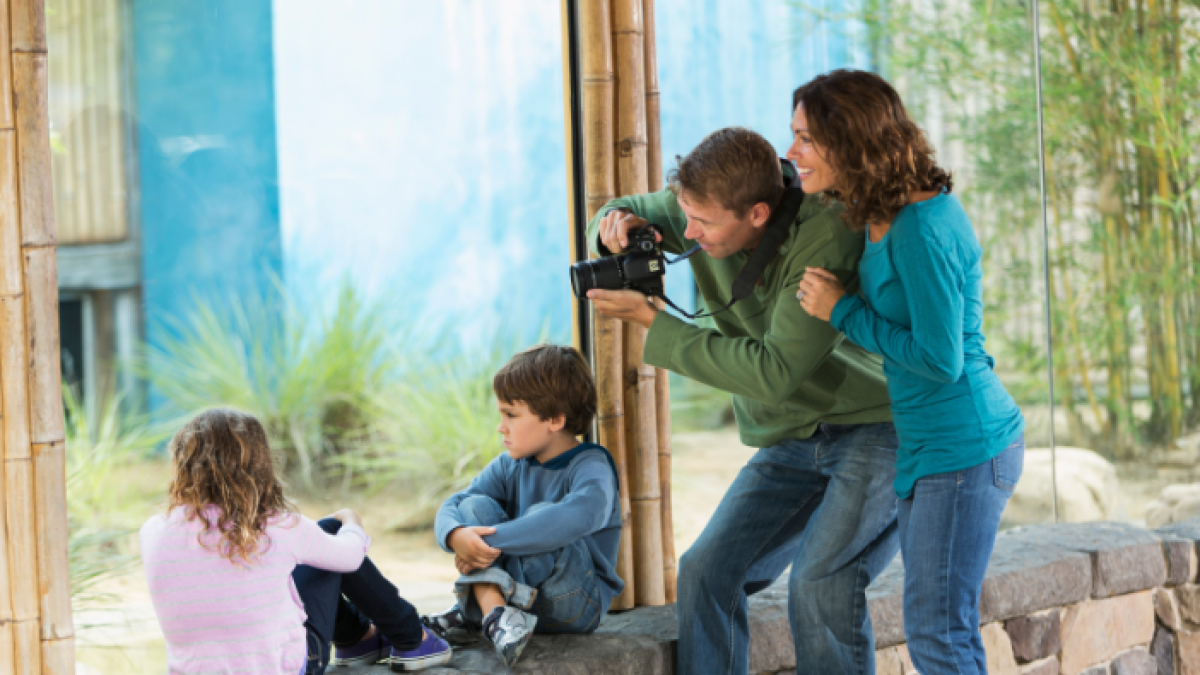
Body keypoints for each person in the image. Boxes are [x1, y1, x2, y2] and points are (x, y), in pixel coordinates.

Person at [585, 127, 899, 675]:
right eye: (684, 214)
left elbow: (775, 371)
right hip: (793, 437)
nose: (686, 232)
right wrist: (614, 228)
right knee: (706, 571)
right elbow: (622, 208)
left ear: (756, 214)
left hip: (874, 426)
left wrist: (653, 324)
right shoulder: (703, 201)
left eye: (701, 224)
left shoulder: (825, 233)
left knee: (819, 584)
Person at [793, 69, 1026, 674]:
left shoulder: (920, 227)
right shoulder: (882, 213)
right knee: (940, 630)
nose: (791, 152)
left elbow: (939, 359)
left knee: (938, 636)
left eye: (805, 139)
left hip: (964, 446)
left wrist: (841, 311)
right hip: (929, 448)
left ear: (850, 142)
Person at [140, 408, 451, 675]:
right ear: (258, 464)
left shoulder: (152, 531)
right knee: (331, 530)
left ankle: (359, 638)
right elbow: (351, 558)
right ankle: (412, 639)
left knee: (306, 556)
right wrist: (351, 520)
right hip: (286, 667)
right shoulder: (275, 524)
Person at [424, 344, 623, 668]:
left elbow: (580, 515)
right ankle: (495, 615)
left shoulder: (591, 464)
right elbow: (455, 503)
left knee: (544, 516)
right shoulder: (510, 465)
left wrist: (483, 544)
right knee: (475, 506)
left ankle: (475, 610)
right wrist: (456, 535)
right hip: (521, 604)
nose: (501, 426)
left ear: (556, 419)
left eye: (511, 415)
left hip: (574, 604)